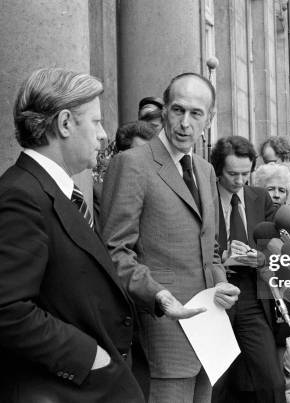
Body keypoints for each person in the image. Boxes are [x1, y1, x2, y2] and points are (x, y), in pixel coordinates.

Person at [0, 68, 144, 402]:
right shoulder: (20, 196)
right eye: (95, 122)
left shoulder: (54, 191)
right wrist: (89, 358)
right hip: (55, 390)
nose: (104, 135)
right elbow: (1, 308)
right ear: (65, 123)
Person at [100, 72, 240, 403]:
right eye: (178, 110)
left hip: (209, 329)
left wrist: (221, 283)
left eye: (196, 114)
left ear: (210, 119)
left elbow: (212, 249)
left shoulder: (205, 170)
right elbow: (114, 251)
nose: (184, 123)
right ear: (164, 111)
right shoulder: (132, 163)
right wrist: (159, 296)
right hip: (162, 330)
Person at [209, 136, 285, 403]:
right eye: (232, 174)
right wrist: (222, 258)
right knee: (215, 382)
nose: (240, 181)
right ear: (218, 170)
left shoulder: (259, 197)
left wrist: (260, 258)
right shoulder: (203, 196)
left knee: (272, 380)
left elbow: (273, 244)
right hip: (216, 295)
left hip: (252, 294)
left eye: (245, 173)